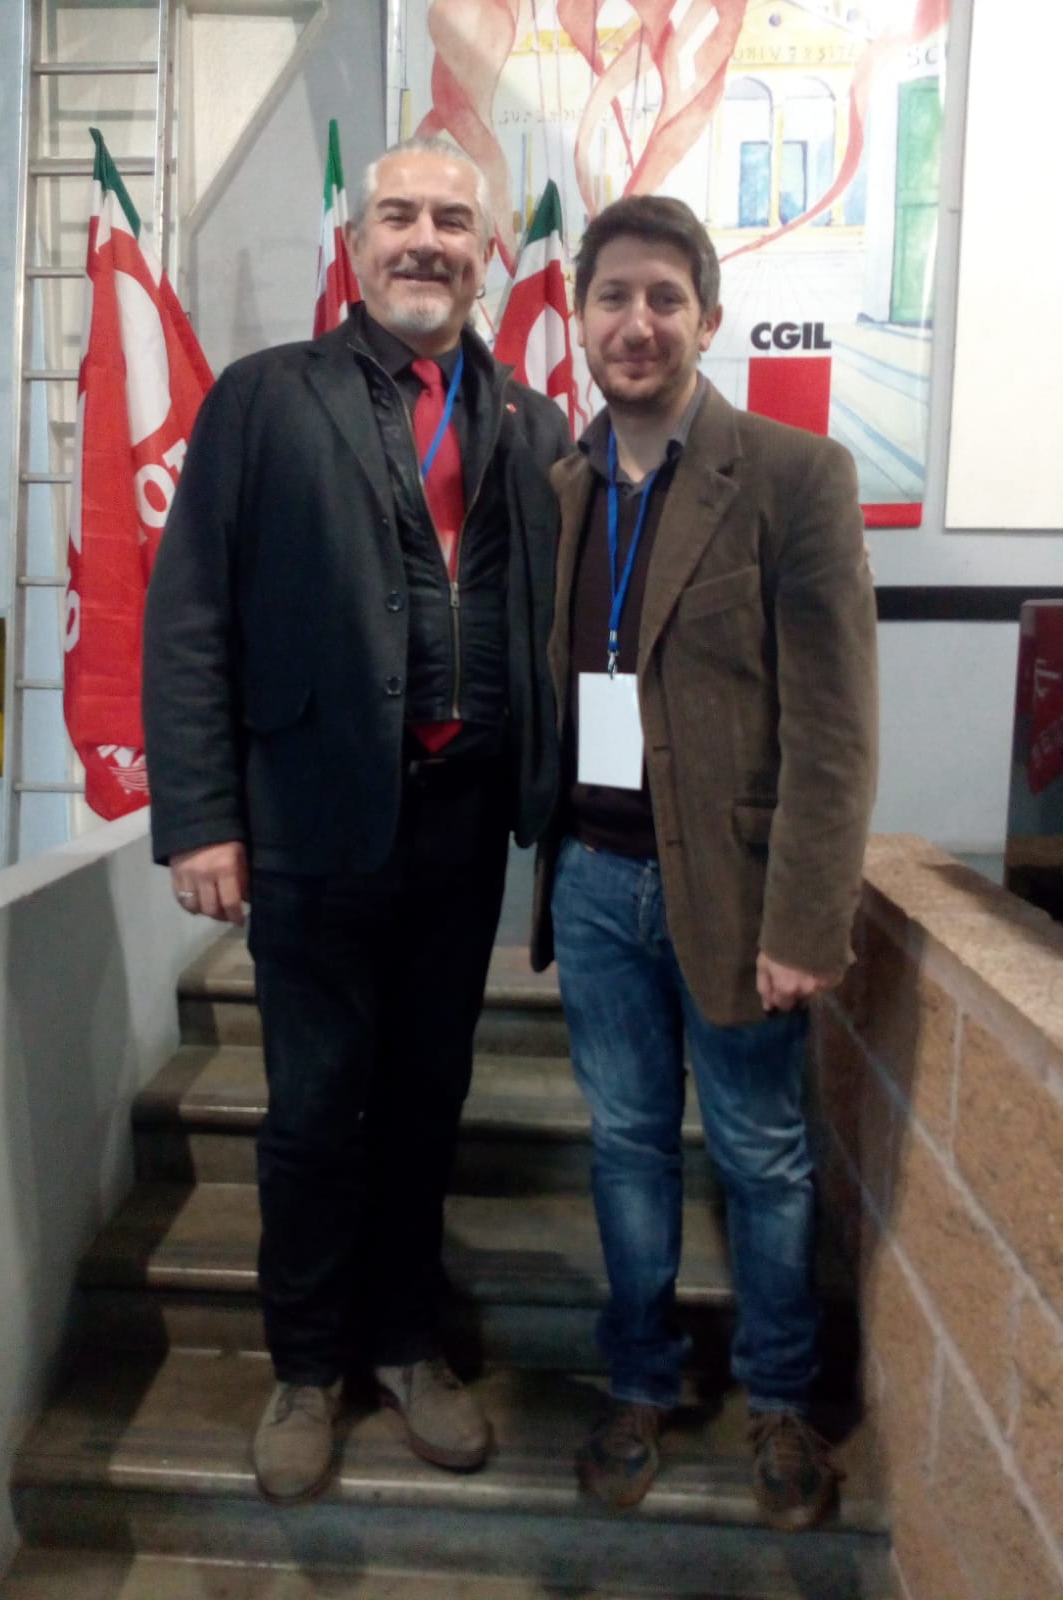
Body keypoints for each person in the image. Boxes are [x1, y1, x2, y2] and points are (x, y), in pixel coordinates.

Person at [142, 136, 571, 1505]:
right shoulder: (265, 400)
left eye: (452, 219)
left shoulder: (532, 424)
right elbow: (190, 613)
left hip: (464, 824)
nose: (424, 239)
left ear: (487, 250)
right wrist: (200, 817)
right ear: (358, 240)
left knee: (428, 1100)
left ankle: (405, 1342)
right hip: (312, 821)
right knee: (319, 1107)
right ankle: (306, 1366)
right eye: (400, 215)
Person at [531, 195, 878, 1532]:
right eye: (614, 297)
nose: (639, 323)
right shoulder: (565, 486)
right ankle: (641, 1378)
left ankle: (781, 1399)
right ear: (581, 320)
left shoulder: (795, 475)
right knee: (625, 1147)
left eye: (665, 299)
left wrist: (807, 920)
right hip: (595, 882)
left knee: (763, 1154)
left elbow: (836, 727)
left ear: (709, 319)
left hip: (736, 896)